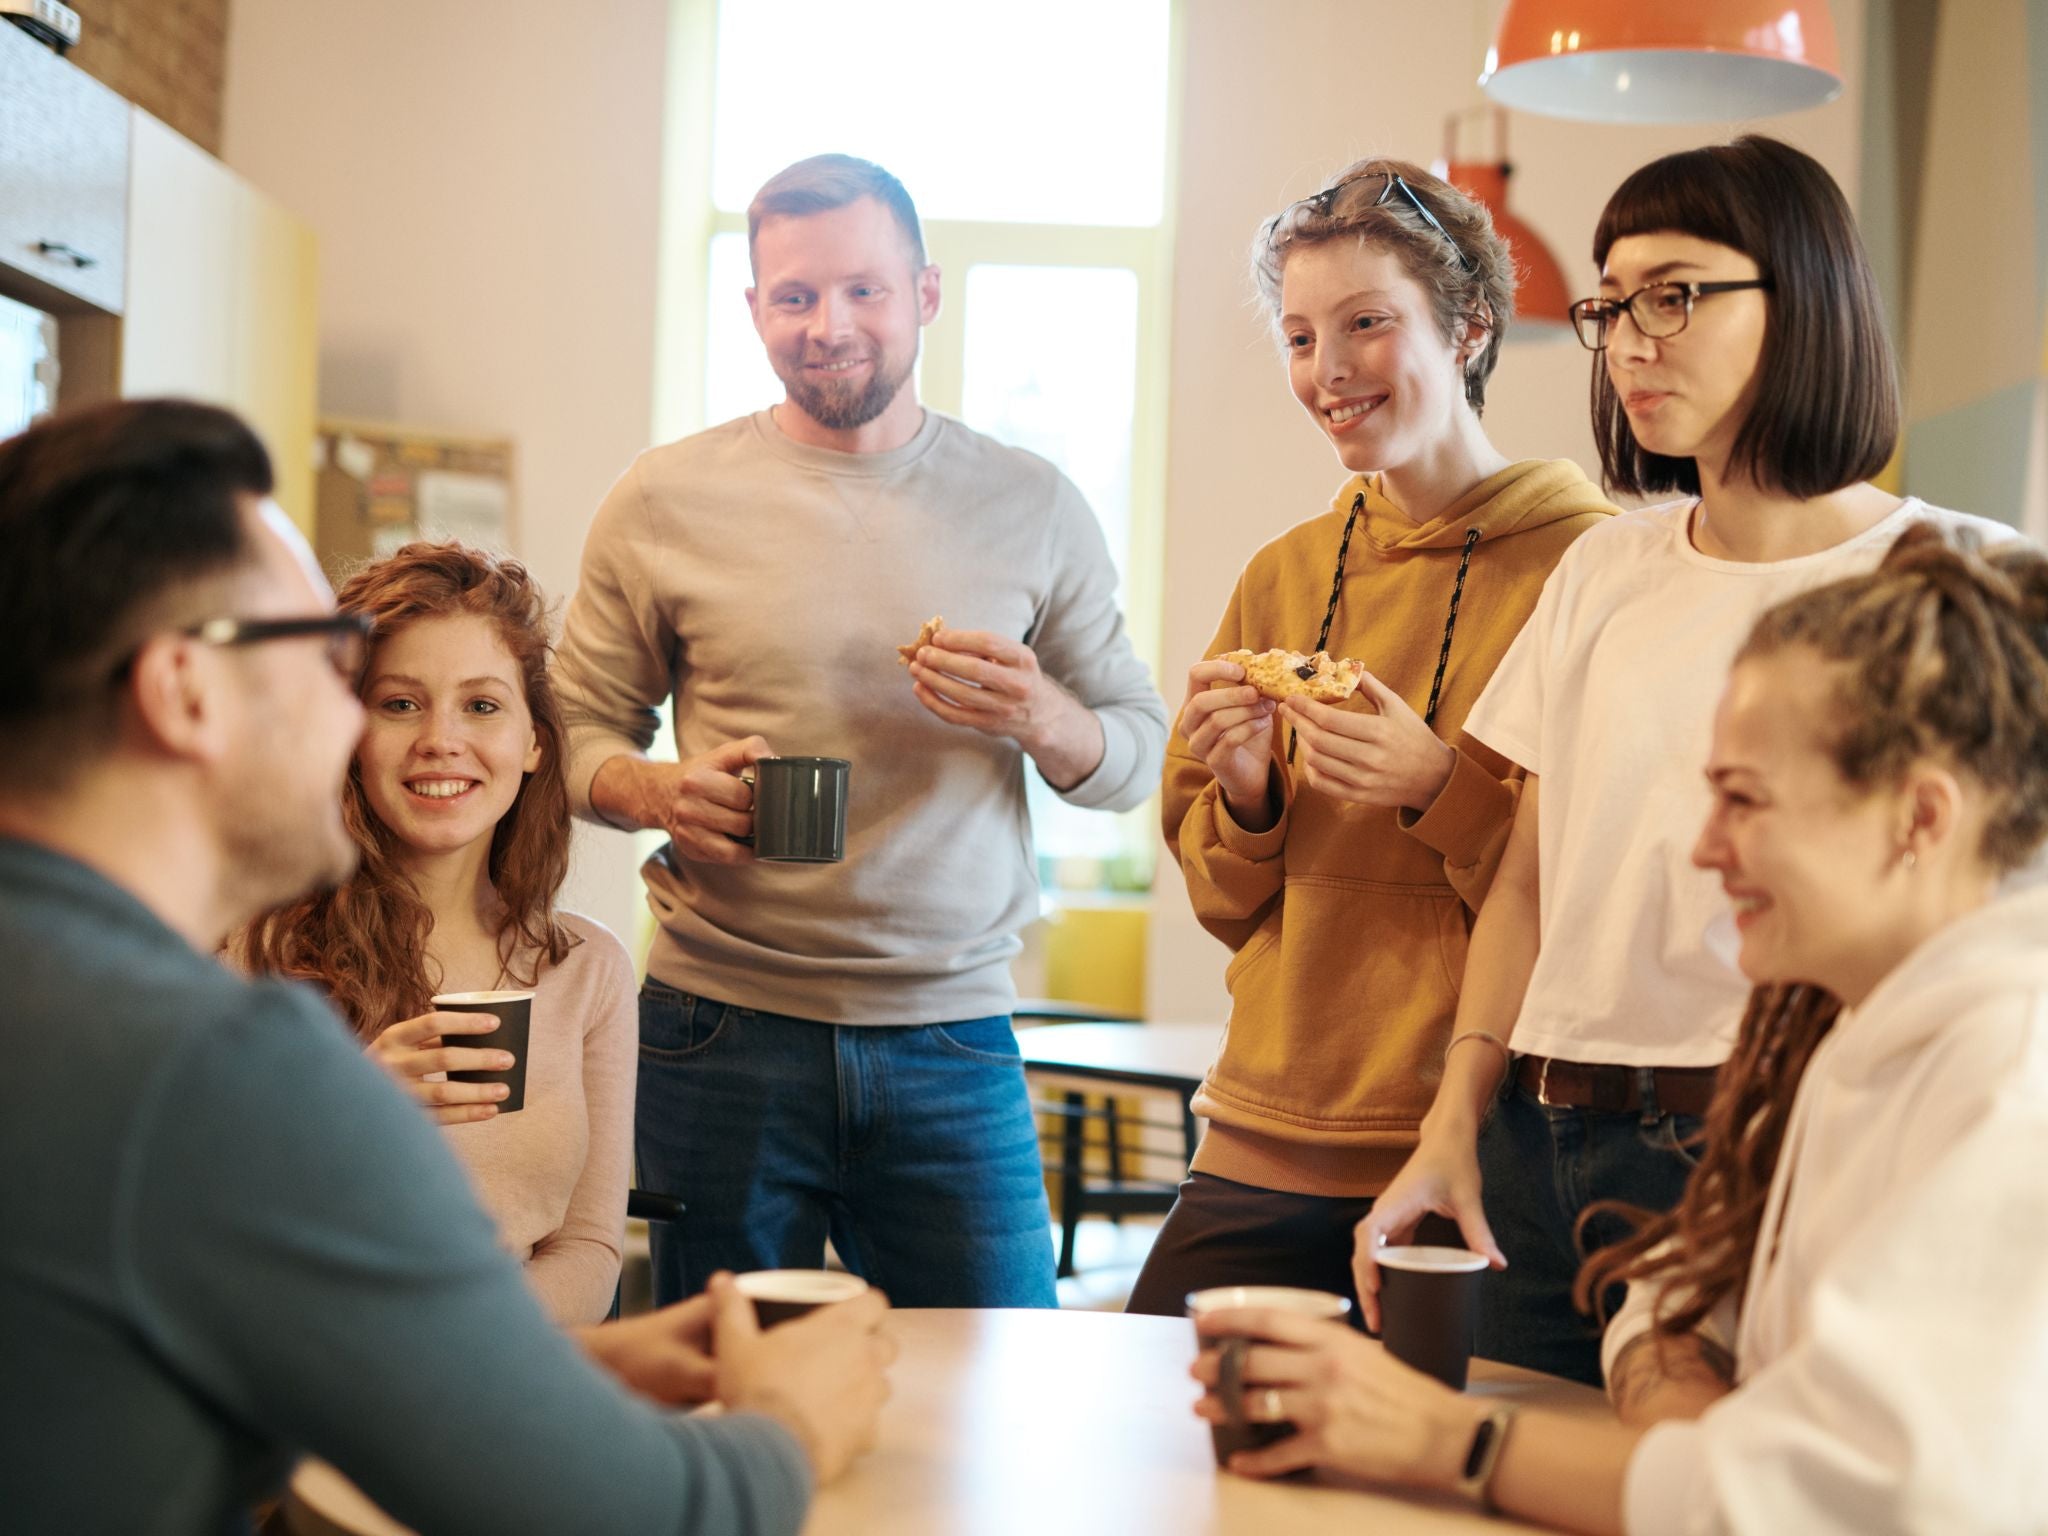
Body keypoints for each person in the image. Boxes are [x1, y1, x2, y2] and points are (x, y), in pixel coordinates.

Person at [0, 399, 893, 1536]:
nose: (385, 733)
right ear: (185, 693)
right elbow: (642, 1517)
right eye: (329, 666)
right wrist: (788, 1421)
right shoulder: (210, 1063)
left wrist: (581, 1367)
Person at [1189, 524, 2048, 1533]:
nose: (1703, 849)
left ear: (1920, 817)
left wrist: (1443, 1435)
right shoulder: (1858, 1034)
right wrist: (1671, 1365)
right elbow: (1691, 1302)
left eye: (1742, 800)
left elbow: (1814, 1503)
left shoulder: (2006, 1080)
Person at [1353, 135, 2014, 1385]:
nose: (1627, 340)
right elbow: (1528, 886)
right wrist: (1450, 1120)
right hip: (1531, 1145)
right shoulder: (1606, 564)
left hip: (1763, 1145)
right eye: (1609, 305)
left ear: (1804, 292)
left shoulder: (1961, 576)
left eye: (1673, 294)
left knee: (1715, 1500)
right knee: (1506, 1479)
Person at [553, 153, 1168, 1309]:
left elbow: (1136, 750)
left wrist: (1041, 716)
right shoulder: (662, 498)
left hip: (952, 1038)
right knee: (730, 1390)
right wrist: (652, 792)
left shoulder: (1031, 502)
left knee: (1002, 1391)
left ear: (924, 293)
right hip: (713, 1028)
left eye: (863, 292)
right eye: (793, 297)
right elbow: (575, 727)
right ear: (753, 308)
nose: (828, 327)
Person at [1123, 159, 1613, 1318]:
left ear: (1469, 329)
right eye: (1298, 336)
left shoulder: (1584, 570)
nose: (1326, 371)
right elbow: (1221, 897)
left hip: (1471, 1138)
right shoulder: (1282, 573)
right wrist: (1246, 799)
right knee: (1163, 1450)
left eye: (1365, 324)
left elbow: (1597, 887)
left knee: (1412, 1481)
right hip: (1262, 1121)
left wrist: (1439, 787)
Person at [239, 541, 636, 1327]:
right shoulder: (257, 949)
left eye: (482, 706)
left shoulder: (587, 971)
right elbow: (206, 1229)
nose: (440, 741)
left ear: (533, 745)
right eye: (400, 703)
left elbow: (591, 1247)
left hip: (515, 1380)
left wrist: (473, 1353)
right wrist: (346, 1104)